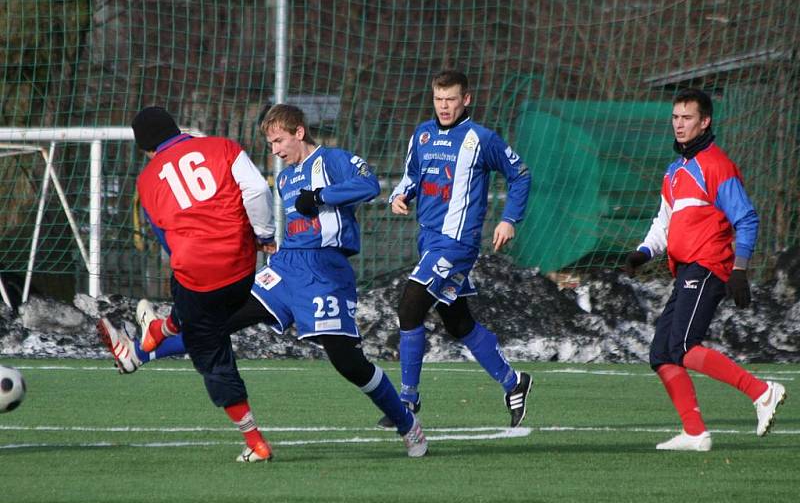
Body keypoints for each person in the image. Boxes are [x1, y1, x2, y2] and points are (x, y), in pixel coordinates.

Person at [99, 103, 428, 458]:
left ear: (299, 132)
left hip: (326, 271)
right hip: (286, 267)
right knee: (215, 323)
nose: (275, 151)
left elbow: (369, 184)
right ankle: (137, 354)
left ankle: (406, 423)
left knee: (347, 361)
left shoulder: (332, 160)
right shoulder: (286, 177)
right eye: (270, 144)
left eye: (279, 141)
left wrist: (320, 196)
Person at [97, 106, 277, 463]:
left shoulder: (147, 180)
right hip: (242, 271)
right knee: (204, 321)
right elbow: (256, 189)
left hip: (195, 275)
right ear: (178, 129)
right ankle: (149, 340)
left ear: (145, 148)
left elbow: (165, 239)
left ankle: (257, 443)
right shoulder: (223, 146)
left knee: (210, 353)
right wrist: (264, 234)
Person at [624, 88, 787, 452]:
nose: (679, 125)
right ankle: (695, 433)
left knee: (682, 344)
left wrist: (740, 270)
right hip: (685, 270)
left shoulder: (715, 165)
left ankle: (762, 392)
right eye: (675, 118)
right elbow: (664, 223)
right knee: (662, 354)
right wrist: (642, 252)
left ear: (705, 122)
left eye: (687, 118)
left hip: (709, 265)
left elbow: (746, 219)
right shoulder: (675, 171)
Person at [385, 69, 533, 429]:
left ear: (466, 99)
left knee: (410, 305)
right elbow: (411, 176)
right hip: (429, 243)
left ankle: (407, 399)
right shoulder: (421, 134)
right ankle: (514, 382)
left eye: (451, 99)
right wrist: (399, 195)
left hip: (458, 243)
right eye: (439, 99)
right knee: (457, 321)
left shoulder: (481, 139)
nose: (444, 106)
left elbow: (520, 175)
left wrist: (509, 219)